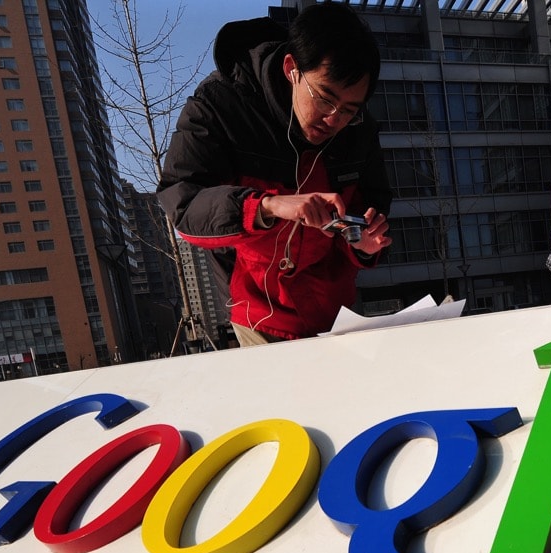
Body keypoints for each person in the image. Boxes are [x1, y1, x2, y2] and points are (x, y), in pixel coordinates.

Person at [158, 3, 393, 345]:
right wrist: (268, 207)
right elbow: (183, 206)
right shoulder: (221, 105)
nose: (333, 119)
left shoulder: (358, 129)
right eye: (324, 98)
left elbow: (372, 206)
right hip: (258, 311)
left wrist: (365, 243)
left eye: (348, 110)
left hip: (336, 312)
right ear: (291, 69)